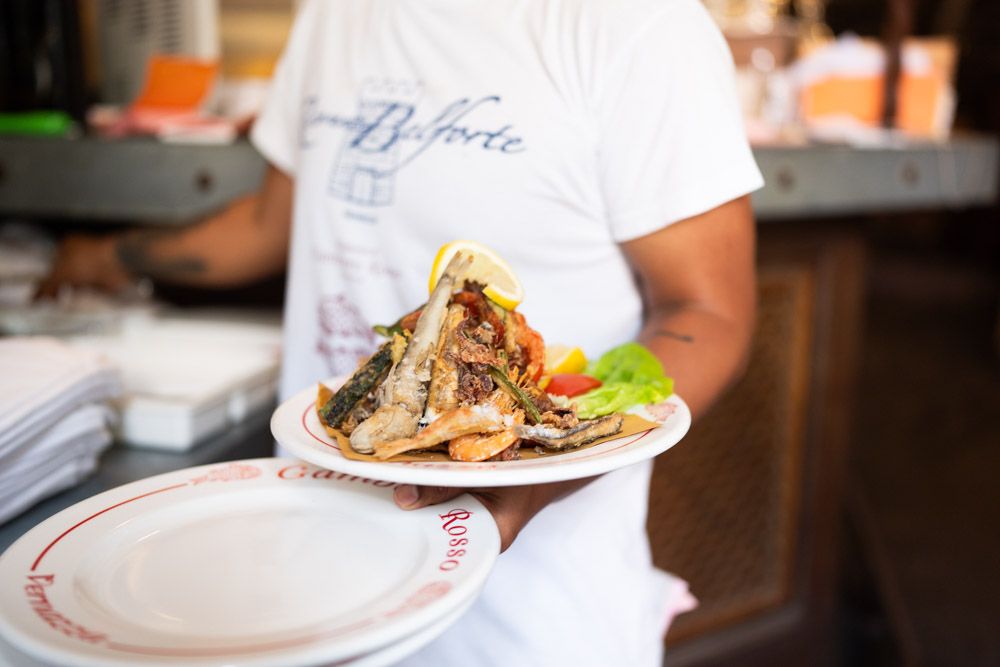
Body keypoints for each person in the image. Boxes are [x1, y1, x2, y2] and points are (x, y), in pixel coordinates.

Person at [40, 0, 762, 663]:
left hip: (526, 622)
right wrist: (108, 255)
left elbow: (711, 311)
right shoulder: (333, 13)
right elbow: (271, 221)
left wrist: (538, 473)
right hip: (313, 582)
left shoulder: (637, 27)